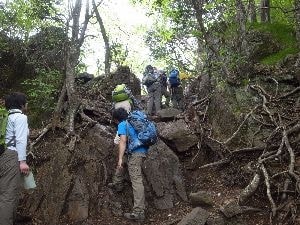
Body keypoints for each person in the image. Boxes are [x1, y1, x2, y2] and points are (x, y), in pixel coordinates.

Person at [109, 107, 148, 221]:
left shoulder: (122, 124)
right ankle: (117, 184)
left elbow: (123, 141)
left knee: (136, 180)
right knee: (124, 161)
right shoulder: (131, 121)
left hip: (136, 153)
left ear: (117, 119)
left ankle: (139, 212)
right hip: (139, 150)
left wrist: (120, 158)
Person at [0, 92, 30, 225]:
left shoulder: (4, 116)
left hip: (2, 154)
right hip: (11, 155)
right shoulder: (20, 117)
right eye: (26, 102)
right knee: (8, 194)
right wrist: (22, 161)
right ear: (21, 104)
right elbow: (21, 140)